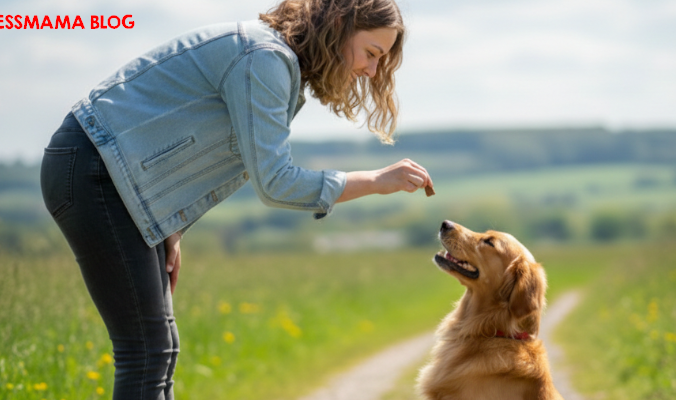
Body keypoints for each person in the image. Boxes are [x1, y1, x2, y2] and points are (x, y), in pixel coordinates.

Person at [39, 0, 432, 398]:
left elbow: (176, 141)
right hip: (93, 170)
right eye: (371, 53)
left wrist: (171, 224)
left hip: (110, 176)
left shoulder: (275, 61)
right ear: (339, 24)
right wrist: (376, 180)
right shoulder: (263, 59)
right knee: (146, 350)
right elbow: (276, 182)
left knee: (159, 349)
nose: (372, 70)